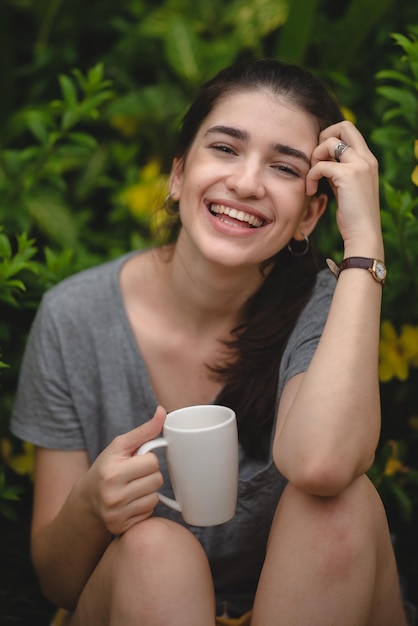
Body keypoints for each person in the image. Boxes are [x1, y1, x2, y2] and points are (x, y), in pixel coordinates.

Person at [10, 58, 409, 626]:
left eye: (283, 168)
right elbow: (58, 582)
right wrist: (92, 505)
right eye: (225, 148)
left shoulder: (325, 306)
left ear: (309, 214)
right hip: (142, 604)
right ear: (177, 175)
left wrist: (364, 244)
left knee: (337, 506)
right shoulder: (75, 317)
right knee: (155, 550)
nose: (246, 183)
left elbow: (321, 463)